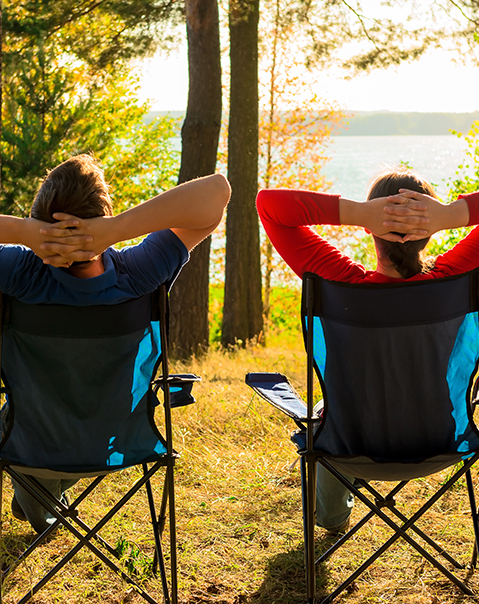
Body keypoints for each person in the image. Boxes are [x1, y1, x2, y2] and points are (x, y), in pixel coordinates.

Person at [0, 154, 230, 533]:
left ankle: (37, 491)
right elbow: (216, 194)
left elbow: (218, 190)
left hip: (29, 440)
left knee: (23, 425)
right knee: (67, 429)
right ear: (102, 215)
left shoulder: (19, 273)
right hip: (117, 435)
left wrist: (24, 233)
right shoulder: (138, 273)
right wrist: (119, 229)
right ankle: (40, 495)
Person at [256, 167, 479, 534]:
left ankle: (332, 518)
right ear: (427, 233)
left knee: (324, 412)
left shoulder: (339, 281)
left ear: (371, 232)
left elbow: (269, 205)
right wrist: (450, 215)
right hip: (440, 441)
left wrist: (358, 213)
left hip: (350, 444)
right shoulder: (451, 279)